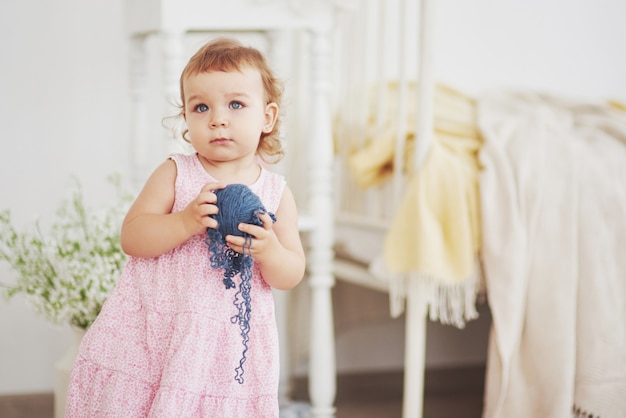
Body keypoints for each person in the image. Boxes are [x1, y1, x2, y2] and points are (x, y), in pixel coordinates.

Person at [66, 37, 306, 417]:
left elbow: (291, 272)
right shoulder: (177, 173)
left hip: (224, 346)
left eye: (236, 104)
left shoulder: (275, 193)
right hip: (158, 334)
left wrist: (270, 250)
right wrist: (184, 221)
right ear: (186, 118)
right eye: (201, 107)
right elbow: (132, 237)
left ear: (268, 117)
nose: (218, 118)